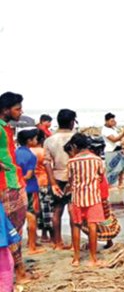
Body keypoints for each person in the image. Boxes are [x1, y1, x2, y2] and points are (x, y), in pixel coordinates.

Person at [0, 93, 31, 286]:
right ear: (5, 110)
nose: (21, 112)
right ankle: (18, 273)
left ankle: (18, 270)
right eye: (17, 108)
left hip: (14, 182)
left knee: (14, 229)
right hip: (7, 185)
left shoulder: (7, 128)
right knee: (13, 229)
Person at [65, 134, 106, 267]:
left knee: (76, 225)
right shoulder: (97, 159)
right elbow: (101, 175)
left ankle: (76, 258)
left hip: (77, 197)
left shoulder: (71, 162)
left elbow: (70, 180)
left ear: (75, 146)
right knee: (92, 225)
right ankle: (92, 259)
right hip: (93, 197)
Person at [44, 109, 76, 252]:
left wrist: (52, 182)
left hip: (57, 177)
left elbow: (47, 163)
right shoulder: (77, 138)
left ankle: (57, 242)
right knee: (72, 210)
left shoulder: (49, 140)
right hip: (74, 177)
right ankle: (74, 244)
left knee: (57, 210)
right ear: (71, 122)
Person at [16, 129, 46, 256]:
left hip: (16, 187)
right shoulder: (31, 155)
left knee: (18, 217)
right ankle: (32, 245)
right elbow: (28, 175)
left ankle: (20, 245)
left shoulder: (15, 153)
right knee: (32, 215)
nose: (36, 141)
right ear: (29, 141)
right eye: (34, 139)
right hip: (30, 187)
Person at [32, 130, 53, 243]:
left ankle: (34, 234)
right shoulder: (43, 152)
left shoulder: (28, 151)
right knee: (46, 210)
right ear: (41, 140)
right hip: (44, 181)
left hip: (31, 183)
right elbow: (49, 166)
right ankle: (45, 234)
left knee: (34, 209)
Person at [101, 113, 124, 190]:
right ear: (106, 121)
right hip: (111, 151)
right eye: (111, 121)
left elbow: (120, 139)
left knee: (123, 166)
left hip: (118, 149)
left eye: (114, 120)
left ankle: (120, 182)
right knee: (111, 169)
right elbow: (114, 140)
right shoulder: (105, 130)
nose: (113, 122)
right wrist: (123, 133)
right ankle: (109, 184)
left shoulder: (113, 129)